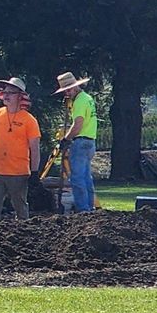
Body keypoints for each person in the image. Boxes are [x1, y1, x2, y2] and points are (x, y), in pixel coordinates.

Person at [0, 77, 41, 222]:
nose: (6, 95)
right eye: (4, 92)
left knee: (21, 210)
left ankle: (24, 237)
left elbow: (35, 148)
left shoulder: (29, 120)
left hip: (18, 173)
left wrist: (35, 172)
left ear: (20, 96)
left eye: (11, 92)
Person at [52, 71, 97, 213]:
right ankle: (90, 208)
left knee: (77, 178)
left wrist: (66, 139)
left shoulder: (79, 101)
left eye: (68, 90)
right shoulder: (87, 98)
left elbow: (77, 125)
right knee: (86, 177)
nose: (67, 93)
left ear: (75, 87)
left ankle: (83, 210)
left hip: (81, 141)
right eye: (65, 91)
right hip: (90, 142)